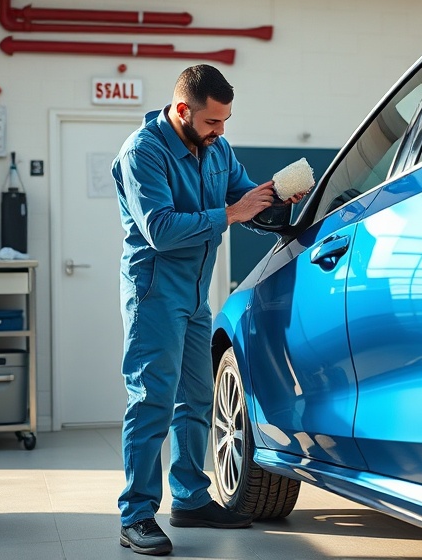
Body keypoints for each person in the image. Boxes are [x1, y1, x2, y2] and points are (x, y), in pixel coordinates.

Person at [112, 64, 306, 556]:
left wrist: (279, 201)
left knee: (196, 399)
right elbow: (160, 228)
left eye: (225, 121)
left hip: (196, 294)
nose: (221, 131)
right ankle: (136, 515)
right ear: (182, 110)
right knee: (152, 399)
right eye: (213, 122)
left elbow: (245, 200)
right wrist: (230, 214)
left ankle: (191, 497)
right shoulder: (143, 152)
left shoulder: (217, 149)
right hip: (154, 291)